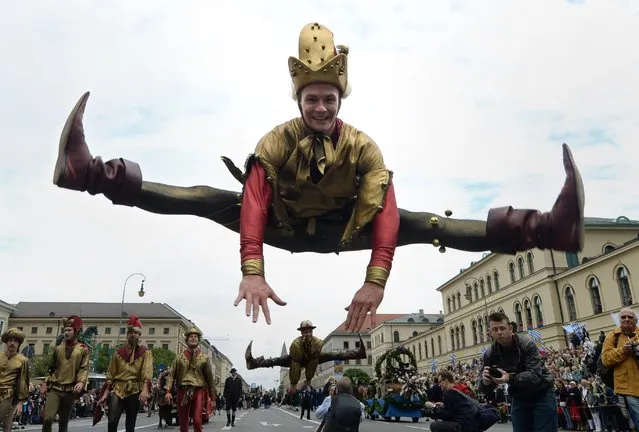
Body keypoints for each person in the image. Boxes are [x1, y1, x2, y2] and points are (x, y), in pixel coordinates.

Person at [52, 22, 585, 332]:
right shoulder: (276, 141)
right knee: (205, 197)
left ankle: (544, 230)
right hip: (280, 226)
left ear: (340, 99)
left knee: (427, 224)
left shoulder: (364, 147)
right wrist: (252, 269)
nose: (322, 107)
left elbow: (387, 214)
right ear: (300, 99)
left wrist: (374, 282)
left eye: (329, 98)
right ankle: (89, 174)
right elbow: (255, 201)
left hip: (342, 232)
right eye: (313, 99)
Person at [479, 312, 556, 432]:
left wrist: (510, 378)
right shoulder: (489, 354)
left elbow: (534, 375)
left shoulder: (527, 344)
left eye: (502, 328)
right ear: (490, 332)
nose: (499, 332)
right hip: (518, 396)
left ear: (510, 329)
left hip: (542, 393)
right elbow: (484, 388)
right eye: (495, 329)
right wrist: (485, 382)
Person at [245, 320, 365, 392]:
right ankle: (253, 363)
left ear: (312, 332)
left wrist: (308, 379)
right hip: (296, 359)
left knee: (334, 354)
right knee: (277, 360)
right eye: (305, 332)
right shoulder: (295, 344)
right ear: (301, 333)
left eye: (309, 331)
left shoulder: (317, 342)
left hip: (312, 358)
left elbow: (315, 357)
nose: (308, 334)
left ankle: (359, 353)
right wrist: (294, 382)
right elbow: (295, 360)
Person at [98, 316, 153, 432]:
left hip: (134, 389)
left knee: (130, 424)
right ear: (127, 334)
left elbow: (147, 372)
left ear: (139, 335)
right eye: (130, 332)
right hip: (118, 389)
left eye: (135, 333)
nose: (132, 335)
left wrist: (145, 390)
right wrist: (105, 393)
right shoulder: (118, 352)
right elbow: (111, 373)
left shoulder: (145, 353)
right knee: (112, 420)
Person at [40, 315, 90, 432]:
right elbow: (50, 368)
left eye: (69, 330)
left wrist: (81, 382)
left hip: (70, 390)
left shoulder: (83, 349)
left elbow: (84, 368)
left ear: (76, 331)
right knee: (48, 418)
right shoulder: (58, 348)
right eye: (65, 330)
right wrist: (44, 384)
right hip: (55, 388)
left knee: (63, 422)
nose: (66, 333)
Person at [165, 327, 216, 432]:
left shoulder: (204, 358)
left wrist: (213, 398)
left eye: (195, 337)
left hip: (198, 391)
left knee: (197, 421)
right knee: (183, 423)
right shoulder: (179, 357)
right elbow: (171, 375)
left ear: (198, 340)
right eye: (191, 337)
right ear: (187, 340)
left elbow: (210, 379)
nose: (193, 338)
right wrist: (167, 391)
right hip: (182, 391)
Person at [601, 307, 639, 427]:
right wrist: (623, 351)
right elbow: (605, 359)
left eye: (630, 317)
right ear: (619, 320)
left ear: (635, 320)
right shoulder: (612, 336)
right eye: (623, 317)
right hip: (627, 387)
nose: (626, 319)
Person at [0, 329, 29, 432]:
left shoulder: (22, 360)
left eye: (15, 341)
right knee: (7, 425)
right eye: (10, 340)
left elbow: (23, 382)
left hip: (8, 396)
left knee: (6, 423)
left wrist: (20, 403)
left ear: (19, 344)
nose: (12, 343)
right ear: (6, 342)